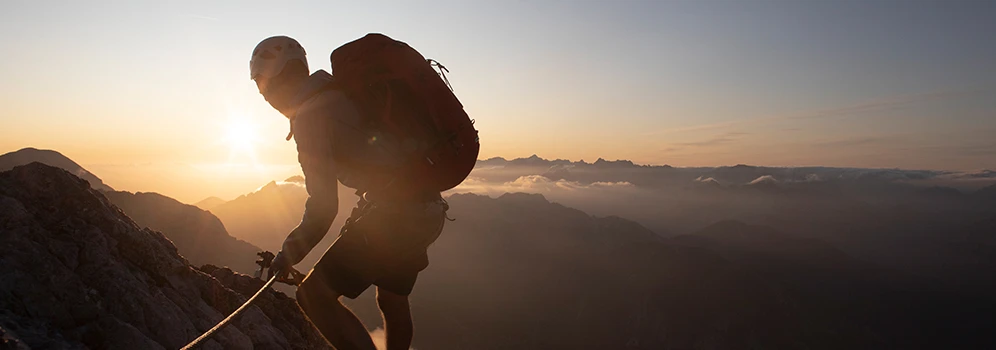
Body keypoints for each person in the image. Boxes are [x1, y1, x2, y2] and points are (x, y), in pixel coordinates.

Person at [249, 35, 449, 350]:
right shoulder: (340, 91)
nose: (263, 96)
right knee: (393, 299)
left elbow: (324, 206)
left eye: (260, 85)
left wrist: (288, 255)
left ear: (273, 80)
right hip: (428, 208)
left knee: (313, 296)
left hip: (393, 217)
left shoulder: (310, 116)